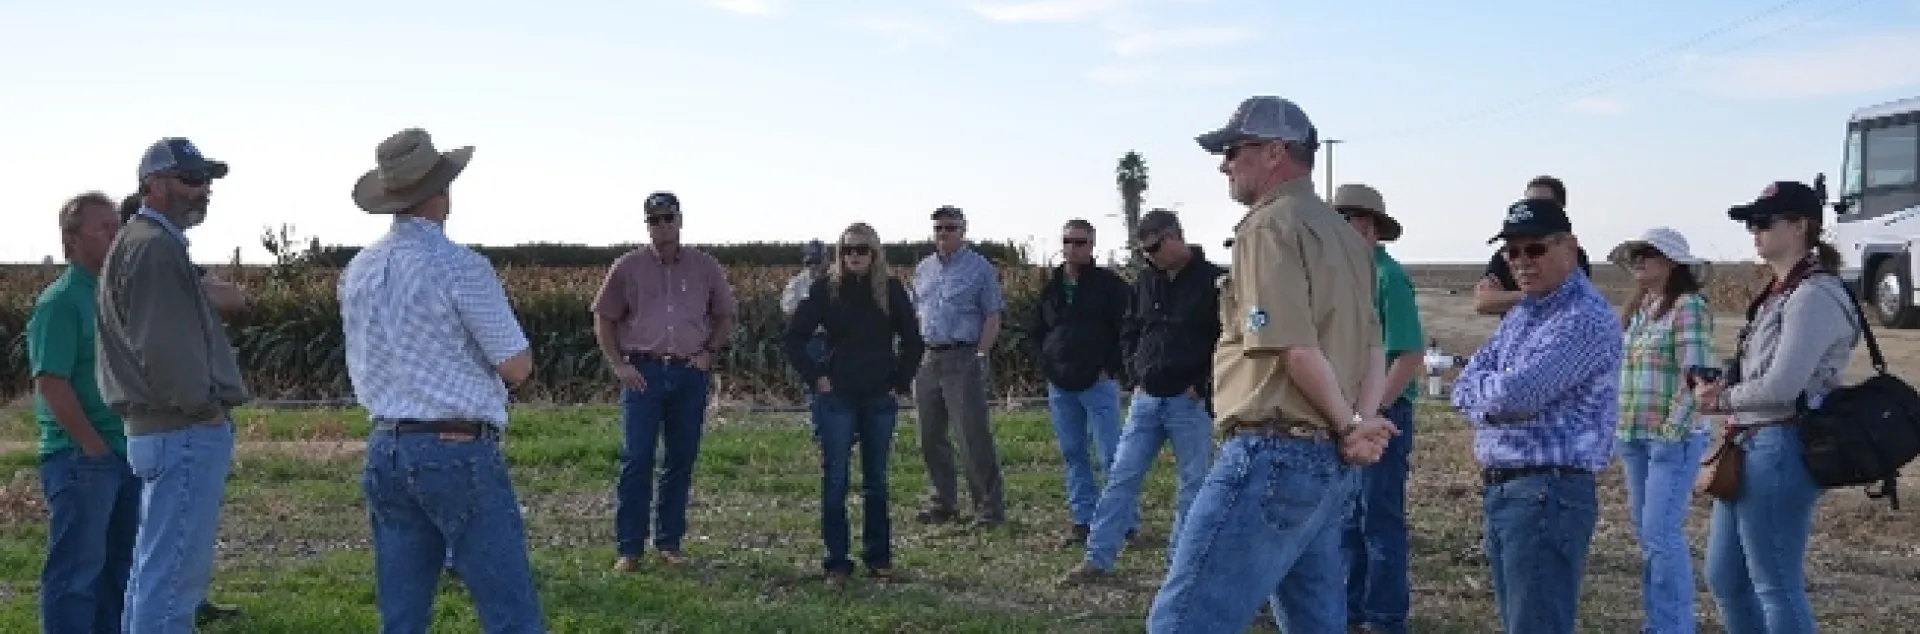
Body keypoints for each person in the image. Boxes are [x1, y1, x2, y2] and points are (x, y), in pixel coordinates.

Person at [1146, 95, 1397, 633]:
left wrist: (1354, 425)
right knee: (1315, 621)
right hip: (1329, 459)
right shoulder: (1348, 239)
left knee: (1184, 619)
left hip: (1274, 452)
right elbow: (1374, 348)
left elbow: (1294, 347)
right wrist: (1358, 427)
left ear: (1275, 152)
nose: (1224, 163)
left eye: (1234, 150)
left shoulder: (1266, 228)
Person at [339, 128, 547, 632]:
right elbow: (516, 366)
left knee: (404, 613)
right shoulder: (460, 266)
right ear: (442, 192)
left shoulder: (358, 271)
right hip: (456, 445)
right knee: (508, 607)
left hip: (386, 444)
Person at [98, 138, 252, 634]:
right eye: (190, 180)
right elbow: (163, 346)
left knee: (153, 574)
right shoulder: (154, 247)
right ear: (153, 185)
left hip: (160, 430)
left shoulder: (141, 242)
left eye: (205, 180)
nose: (202, 190)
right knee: (172, 585)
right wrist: (204, 408)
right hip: (181, 429)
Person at [1451, 198, 1623, 634]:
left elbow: (1517, 396)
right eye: (1512, 252)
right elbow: (1465, 381)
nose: (1522, 262)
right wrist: (1490, 394)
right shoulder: (1525, 312)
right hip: (1513, 491)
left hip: (1547, 492)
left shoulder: (1581, 318)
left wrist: (1488, 396)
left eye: (1535, 250)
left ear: (1570, 247)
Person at [1697, 181, 1859, 634]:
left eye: (1764, 222)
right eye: (1751, 222)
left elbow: (1784, 386)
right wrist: (1726, 383)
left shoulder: (1815, 296)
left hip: (1781, 444)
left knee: (1775, 584)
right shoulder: (1781, 293)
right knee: (1726, 578)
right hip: (1750, 445)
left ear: (1801, 226)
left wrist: (1721, 399)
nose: (1754, 230)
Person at [1060, 209, 1219, 584]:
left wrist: (1203, 385)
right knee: (1121, 477)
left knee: (1192, 486)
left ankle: (1179, 567)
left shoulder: (1214, 281)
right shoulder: (1146, 281)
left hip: (1189, 401)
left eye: (1155, 248)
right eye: (1144, 251)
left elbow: (1227, 340)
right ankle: (1098, 559)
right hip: (1147, 398)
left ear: (1176, 236)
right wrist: (1135, 374)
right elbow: (1130, 328)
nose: (1150, 257)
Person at [593, 191, 739, 571]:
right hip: (645, 372)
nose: (661, 226)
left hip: (689, 374)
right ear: (647, 225)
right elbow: (604, 317)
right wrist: (618, 364)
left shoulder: (705, 267)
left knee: (681, 459)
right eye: (654, 220)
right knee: (637, 459)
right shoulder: (627, 268)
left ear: (680, 220)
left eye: (667, 218)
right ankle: (629, 548)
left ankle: (669, 543)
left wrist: (709, 353)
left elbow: (725, 314)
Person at [782, 223, 924, 586]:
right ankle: (836, 562)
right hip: (838, 397)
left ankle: (878, 557)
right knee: (836, 482)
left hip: (878, 396)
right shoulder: (825, 290)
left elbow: (913, 341)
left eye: (861, 249)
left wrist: (899, 381)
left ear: (875, 252)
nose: (854, 256)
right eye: (847, 250)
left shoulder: (891, 291)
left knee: (876, 481)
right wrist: (817, 377)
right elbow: (794, 339)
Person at [32, 192, 138, 634]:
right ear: (71, 239)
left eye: (118, 226)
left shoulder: (112, 294)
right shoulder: (59, 303)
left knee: (120, 571)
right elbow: (51, 381)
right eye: (104, 229)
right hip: (83, 458)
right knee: (77, 574)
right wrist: (91, 446)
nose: (116, 236)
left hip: (125, 449)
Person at [1608, 227, 1715, 634]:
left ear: (1671, 262)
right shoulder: (1641, 309)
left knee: (1661, 535)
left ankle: (1673, 626)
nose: (1638, 261)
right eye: (1635, 255)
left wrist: (1673, 433)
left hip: (1671, 439)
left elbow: (1698, 374)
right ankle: (1660, 623)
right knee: (1649, 535)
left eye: (1647, 254)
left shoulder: (1687, 306)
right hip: (1634, 436)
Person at [1333, 183, 1426, 634]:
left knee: (1379, 517)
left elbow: (1408, 353)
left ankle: (1386, 618)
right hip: (1355, 415)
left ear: (1367, 227)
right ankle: (1353, 610)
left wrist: (1374, 413)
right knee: (1351, 517)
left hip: (1383, 415)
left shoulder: (1389, 278)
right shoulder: (1352, 278)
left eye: (1342, 222)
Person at [1025, 218, 1130, 543]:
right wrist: (1046, 364)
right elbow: (1035, 331)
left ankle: (1122, 521)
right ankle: (1082, 518)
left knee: (1111, 454)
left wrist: (1110, 367)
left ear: (1092, 246)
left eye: (1080, 242)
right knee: (1073, 453)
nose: (1073, 248)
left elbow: (1127, 329)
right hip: (1061, 383)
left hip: (1098, 382)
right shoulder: (1052, 286)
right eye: (1068, 241)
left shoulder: (1110, 286)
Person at [910, 205, 1008, 527]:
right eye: (938, 228)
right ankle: (943, 501)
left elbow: (992, 315)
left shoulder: (980, 268)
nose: (943, 234)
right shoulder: (924, 269)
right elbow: (917, 312)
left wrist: (980, 355)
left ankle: (988, 508)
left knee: (971, 435)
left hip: (962, 356)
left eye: (950, 227)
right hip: (928, 357)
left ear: (963, 230)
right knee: (929, 434)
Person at [1473, 176, 1593, 316]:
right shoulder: (1509, 253)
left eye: (1536, 250)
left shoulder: (1573, 255)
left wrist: (1507, 298)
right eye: (1529, 202)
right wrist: (1532, 295)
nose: (1521, 261)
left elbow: (1570, 300)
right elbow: (1483, 302)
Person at [782, 240, 832, 400]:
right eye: (811, 262)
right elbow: (788, 308)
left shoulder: (838, 280)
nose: (815, 266)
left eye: (818, 261)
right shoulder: (797, 283)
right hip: (811, 340)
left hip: (835, 339)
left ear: (827, 259)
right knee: (814, 383)